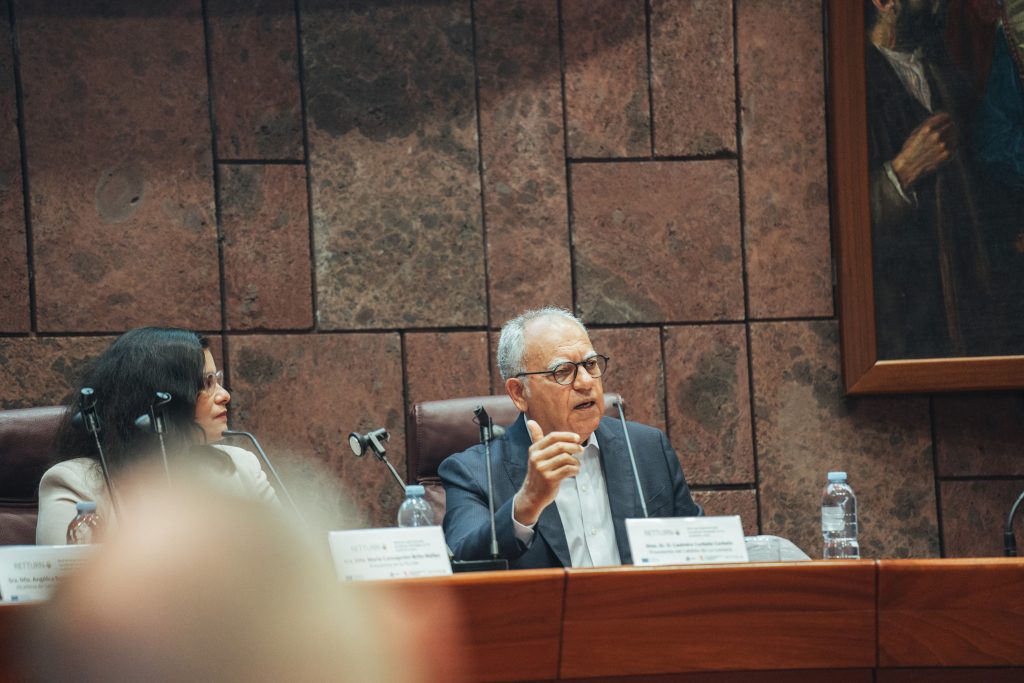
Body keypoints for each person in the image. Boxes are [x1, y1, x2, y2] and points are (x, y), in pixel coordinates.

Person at [440, 307, 702, 569]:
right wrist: (526, 503)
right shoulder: (474, 473)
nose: (586, 381)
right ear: (519, 393)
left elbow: (700, 550)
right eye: (563, 371)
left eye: (590, 364)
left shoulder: (647, 448)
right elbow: (462, 565)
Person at [35, 327, 278, 545]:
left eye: (218, 381)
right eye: (207, 383)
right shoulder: (75, 484)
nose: (225, 395)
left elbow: (292, 566)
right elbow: (69, 587)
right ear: (159, 399)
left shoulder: (242, 467)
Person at [865, 0, 999, 358]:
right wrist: (902, 172)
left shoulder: (947, 76)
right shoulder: (854, 84)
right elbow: (837, 219)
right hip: (901, 320)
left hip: (966, 306)